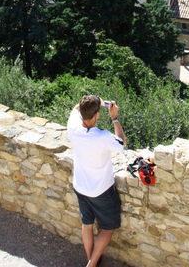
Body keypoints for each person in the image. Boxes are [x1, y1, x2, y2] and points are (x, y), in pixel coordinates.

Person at [67, 95, 126, 267]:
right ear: (97, 115)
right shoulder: (102, 137)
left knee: (87, 225)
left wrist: (94, 102)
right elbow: (122, 143)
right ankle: (91, 264)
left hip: (80, 186)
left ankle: (90, 258)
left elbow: (76, 108)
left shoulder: (73, 127)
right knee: (107, 228)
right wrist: (115, 117)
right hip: (101, 190)